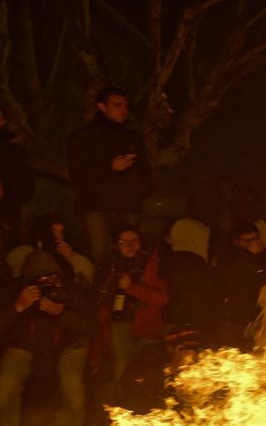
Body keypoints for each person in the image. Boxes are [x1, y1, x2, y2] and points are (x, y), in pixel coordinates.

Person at [0, 249, 96, 426]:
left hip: (67, 347)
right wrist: (18, 307)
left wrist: (62, 313)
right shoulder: (13, 291)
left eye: (52, 277)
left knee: (73, 385)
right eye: (41, 279)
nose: (48, 283)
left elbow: (91, 329)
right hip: (23, 346)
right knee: (6, 384)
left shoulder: (70, 290)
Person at [67, 87, 153, 264]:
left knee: (130, 257)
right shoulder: (83, 138)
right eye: (117, 105)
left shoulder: (132, 138)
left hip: (128, 207)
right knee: (100, 257)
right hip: (96, 209)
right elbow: (78, 174)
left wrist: (140, 193)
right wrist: (109, 168)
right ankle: (100, 291)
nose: (124, 110)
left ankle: (129, 290)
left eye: (125, 106)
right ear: (102, 106)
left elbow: (145, 172)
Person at [93, 225, 168, 399]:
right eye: (124, 242)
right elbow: (100, 298)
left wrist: (131, 287)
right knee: (122, 364)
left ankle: (147, 406)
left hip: (147, 322)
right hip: (119, 321)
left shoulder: (152, 266)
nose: (130, 246)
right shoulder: (108, 266)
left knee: (149, 366)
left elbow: (160, 298)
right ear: (116, 245)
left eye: (134, 241)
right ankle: (125, 407)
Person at [215, 223, 266, 349]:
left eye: (256, 239)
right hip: (235, 320)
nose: (253, 243)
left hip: (259, 318)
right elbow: (231, 279)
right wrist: (249, 255)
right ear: (237, 242)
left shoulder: (264, 256)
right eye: (247, 241)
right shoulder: (229, 257)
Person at [162, 218, 219, 341]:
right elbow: (201, 294)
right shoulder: (191, 262)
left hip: (176, 319)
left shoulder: (169, 260)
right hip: (191, 323)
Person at [7, 214, 95, 285]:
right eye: (53, 230)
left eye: (61, 232)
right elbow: (18, 279)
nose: (59, 236)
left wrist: (72, 257)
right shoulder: (22, 252)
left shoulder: (67, 254)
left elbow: (89, 277)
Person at [0, 109, 36, 248]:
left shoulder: (15, 152)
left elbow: (26, 186)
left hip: (8, 214)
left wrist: (8, 196)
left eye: (2, 118)